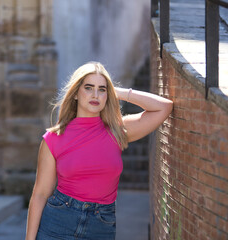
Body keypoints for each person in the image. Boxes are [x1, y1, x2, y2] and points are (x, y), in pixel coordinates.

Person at [25, 62, 173, 240]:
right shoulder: (54, 138)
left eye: (101, 89)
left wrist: (117, 92)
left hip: (101, 225)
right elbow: (40, 194)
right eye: (88, 88)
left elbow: (164, 107)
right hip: (59, 221)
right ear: (76, 94)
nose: (95, 95)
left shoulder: (117, 131)